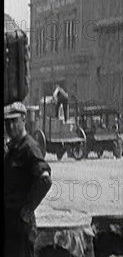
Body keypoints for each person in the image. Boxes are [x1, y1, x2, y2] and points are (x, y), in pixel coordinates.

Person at [4, 101, 52, 257]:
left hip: (21, 227)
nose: (10, 127)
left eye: (14, 121)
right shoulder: (13, 148)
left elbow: (45, 180)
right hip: (9, 224)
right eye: (7, 122)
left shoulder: (29, 148)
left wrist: (27, 210)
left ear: (24, 120)